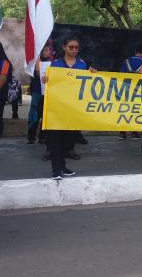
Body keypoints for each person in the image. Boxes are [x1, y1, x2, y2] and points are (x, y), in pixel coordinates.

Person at [42, 36, 96, 179]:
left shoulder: (83, 65)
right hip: (57, 108)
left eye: (76, 48)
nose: (74, 50)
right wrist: (45, 80)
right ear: (64, 47)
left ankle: (63, 166)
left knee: (68, 140)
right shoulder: (55, 65)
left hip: (73, 109)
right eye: (71, 47)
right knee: (55, 139)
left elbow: (88, 85)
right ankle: (56, 170)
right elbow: (48, 84)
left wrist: (93, 75)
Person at [28, 45, 52, 146]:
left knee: (45, 115)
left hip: (48, 93)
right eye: (44, 50)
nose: (46, 52)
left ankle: (43, 137)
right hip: (37, 92)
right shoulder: (35, 63)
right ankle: (31, 137)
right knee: (34, 115)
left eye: (48, 50)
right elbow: (34, 75)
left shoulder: (53, 63)